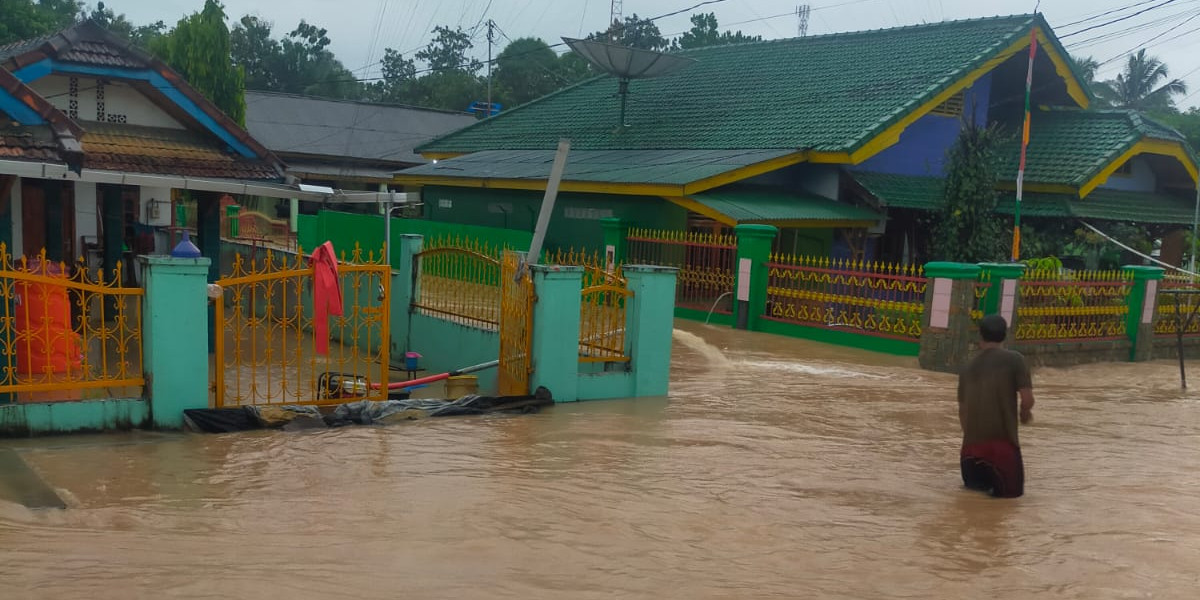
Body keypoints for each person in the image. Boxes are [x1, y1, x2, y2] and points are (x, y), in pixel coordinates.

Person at [957, 314, 1035, 498]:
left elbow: (963, 413)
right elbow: (1027, 399)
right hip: (1002, 452)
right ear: (1004, 335)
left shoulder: (967, 368)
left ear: (980, 336)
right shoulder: (1015, 360)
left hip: (969, 454)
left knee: (973, 509)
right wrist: (1025, 413)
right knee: (1008, 508)